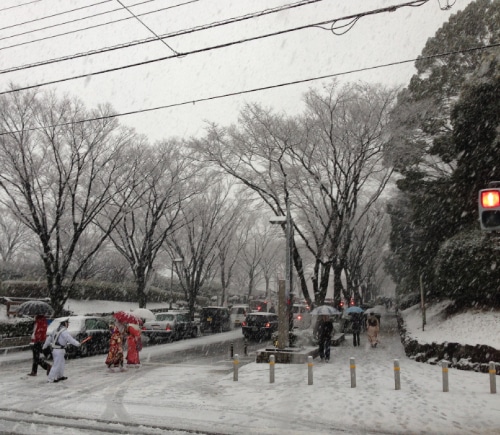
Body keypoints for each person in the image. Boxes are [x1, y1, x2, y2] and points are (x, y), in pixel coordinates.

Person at [42, 318, 81, 383]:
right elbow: (70, 339)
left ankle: (60, 376)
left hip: (56, 349)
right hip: (59, 350)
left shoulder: (55, 330)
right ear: (65, 323)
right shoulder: (64, 331)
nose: (68, 324)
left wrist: (44, 346)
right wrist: (77, 344)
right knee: (57, 364)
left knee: (61, 363)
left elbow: (49, 339)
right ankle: (50, 379)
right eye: (67, 323)